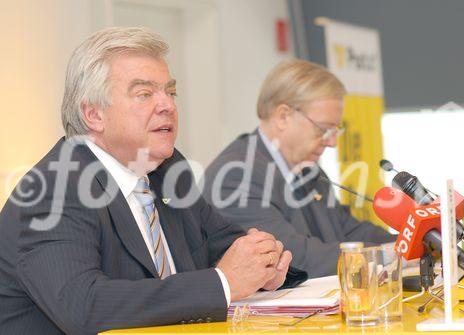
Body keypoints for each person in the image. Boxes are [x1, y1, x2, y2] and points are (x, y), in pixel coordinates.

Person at [0, 27, 293, 335]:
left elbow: (225, 243)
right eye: (144, 94)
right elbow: (85, 306)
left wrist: (266, 265)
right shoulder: (54, 190)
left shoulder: (167, 170)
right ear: (93, 114)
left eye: (170, 92)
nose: (167, 105)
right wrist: (223, 282)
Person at [203, 59, 395, 278]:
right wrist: (386, 255)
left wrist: (410, 244)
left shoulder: (308, 170)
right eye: (324, 129)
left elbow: (349, 229)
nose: (332, 142)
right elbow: (294, 257)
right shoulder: (236, 175)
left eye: (335, 131)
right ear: (283, 116)